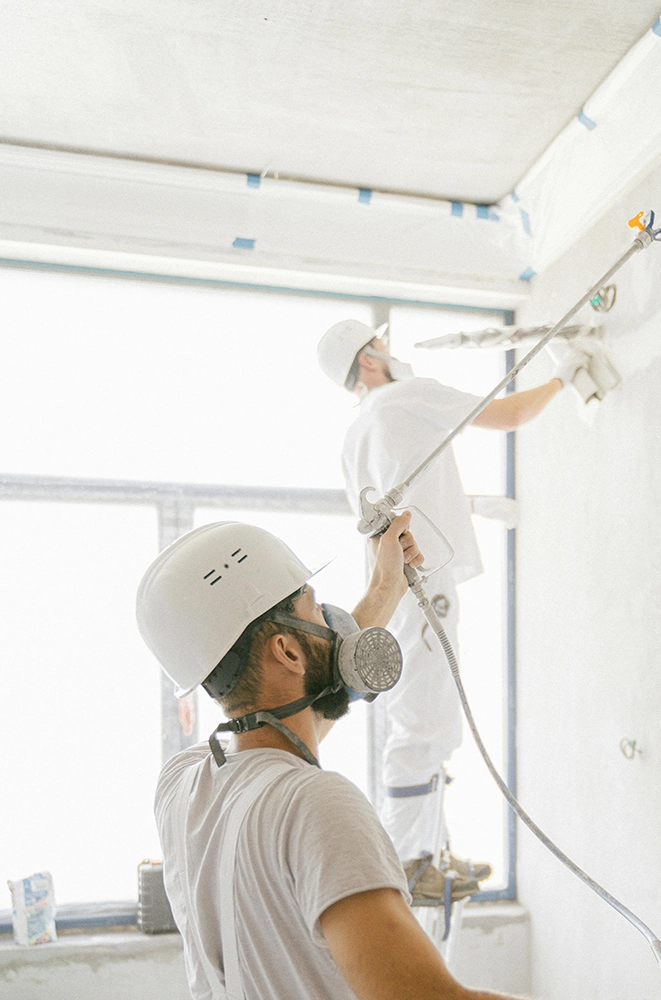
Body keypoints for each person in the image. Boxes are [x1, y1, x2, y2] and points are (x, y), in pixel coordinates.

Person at [136, 515, 529, 1000]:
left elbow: (293, 717)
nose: (334, 625)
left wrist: (387, 586)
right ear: (287, 650)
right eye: (317, 611)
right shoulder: (316, 804)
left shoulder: (182, 784)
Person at [316, 319, 586, 891]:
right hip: (423, 580)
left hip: (401, 583)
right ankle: (412, 863)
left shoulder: (354, 435)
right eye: (379, 344)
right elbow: (508, 414)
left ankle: (430, 853)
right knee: (424, 723)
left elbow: (404, 498)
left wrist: (481, 506)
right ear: (366, 361)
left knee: (427, 719)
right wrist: (567, 376)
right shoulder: (404, 396)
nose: (389, 351)